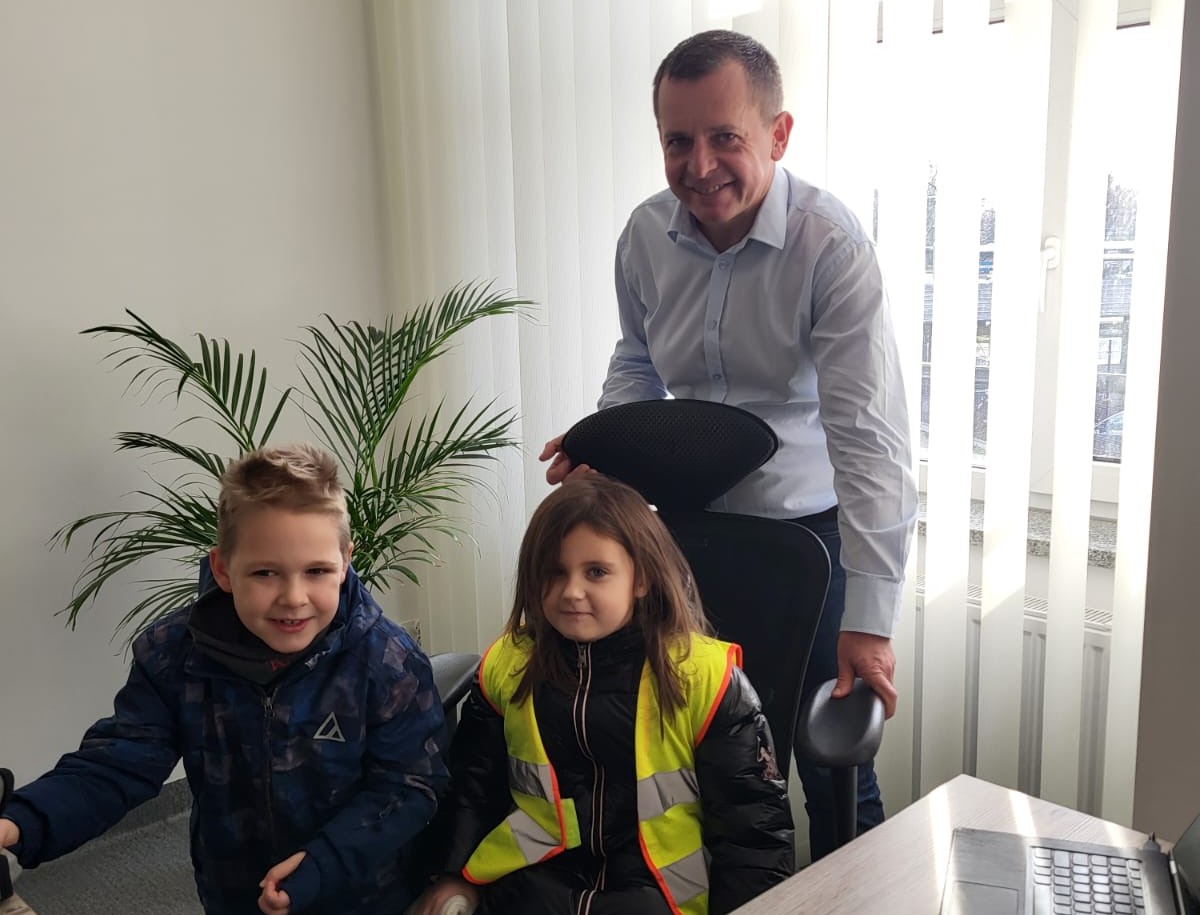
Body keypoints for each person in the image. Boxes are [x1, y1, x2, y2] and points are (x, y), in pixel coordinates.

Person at [540, 29, 917, 860]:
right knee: (699, 747)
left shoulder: (831, 246)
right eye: (678, 140)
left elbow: (870, 439)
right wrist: (611, 449)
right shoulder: (644, 236)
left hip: (809, 539)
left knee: (831, 766)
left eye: (725, 137)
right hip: (684, 534)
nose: (699, 164)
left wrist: (871, 620)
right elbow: (638, 358)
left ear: (777, 135)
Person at [0, 443, 448, 915]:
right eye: (265, 573)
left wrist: (323, 864)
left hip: (360, 893)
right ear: (223, 570)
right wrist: (20, 822)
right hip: (234, 890)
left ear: (345, 562)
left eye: (317, 571)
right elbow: (119, 762)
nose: (294, 598)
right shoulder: (173, 655)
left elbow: (409, 786)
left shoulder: (387, 660)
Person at [408, 474, 793, 915]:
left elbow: (753, 833)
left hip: (658, 895)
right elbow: (473, 788)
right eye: (555, 572)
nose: (572, 592)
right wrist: (452, 874)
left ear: (641, 578)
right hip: (533, 886)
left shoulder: (703, 677)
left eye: (596, 572)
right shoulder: (508, 666)